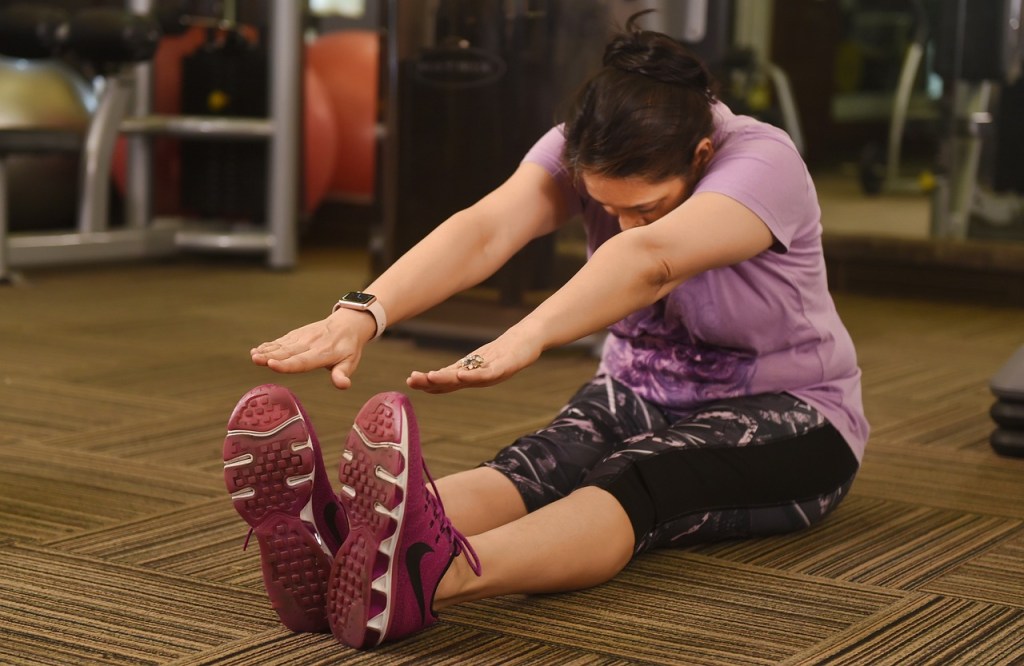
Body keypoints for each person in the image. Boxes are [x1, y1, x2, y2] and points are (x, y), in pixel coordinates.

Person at [225, 12, 869, 650]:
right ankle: (338, 540)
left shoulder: (761, 161)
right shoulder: (576, 144)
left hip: (796, 415)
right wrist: (363, 311)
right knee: (536, 463)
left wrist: (522, 337)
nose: (622, 225)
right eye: (606, 207)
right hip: (635, 391)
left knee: (636, 476)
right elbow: (485, 229)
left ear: (700, 158)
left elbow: (649, 261)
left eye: (644, 207)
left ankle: (429, 580)